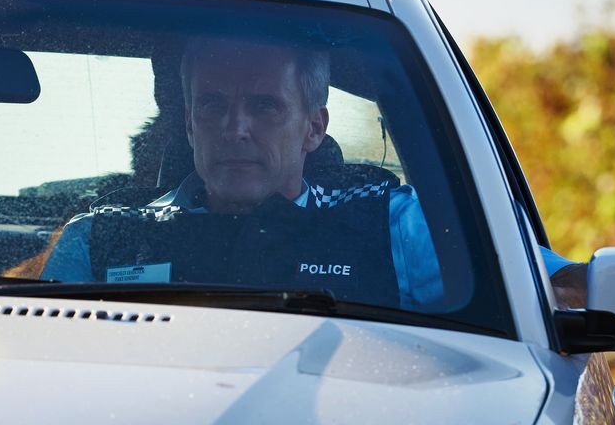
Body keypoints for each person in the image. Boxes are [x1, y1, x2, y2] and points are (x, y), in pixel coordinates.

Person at [42, 31, 583, 307]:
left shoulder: (391, 228)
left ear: (314, 128)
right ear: (188, 124)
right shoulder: (100, 241)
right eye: (212, 105)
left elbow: (555, 287)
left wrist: (604, 290)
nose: (235, 128)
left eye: (264, 106)